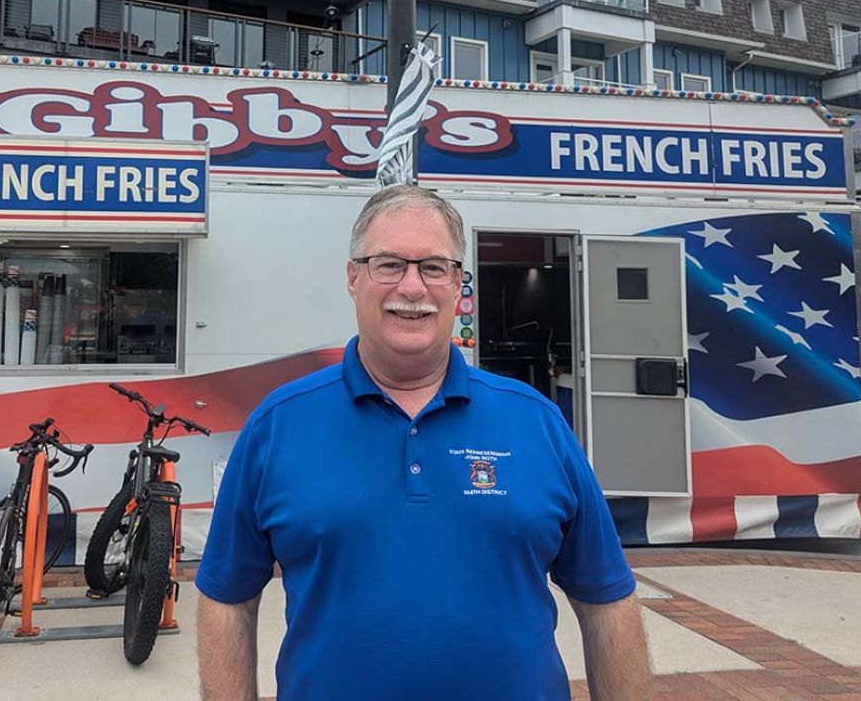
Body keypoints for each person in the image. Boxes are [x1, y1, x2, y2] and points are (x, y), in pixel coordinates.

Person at [196, 185, 652, 700]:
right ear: (353, 277)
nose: (412, 287)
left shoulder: (537, 423)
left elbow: (607, 602)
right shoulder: (277, 426)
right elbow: (227, 600)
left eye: (434, 267)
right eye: (388, 264)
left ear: (459, 284)